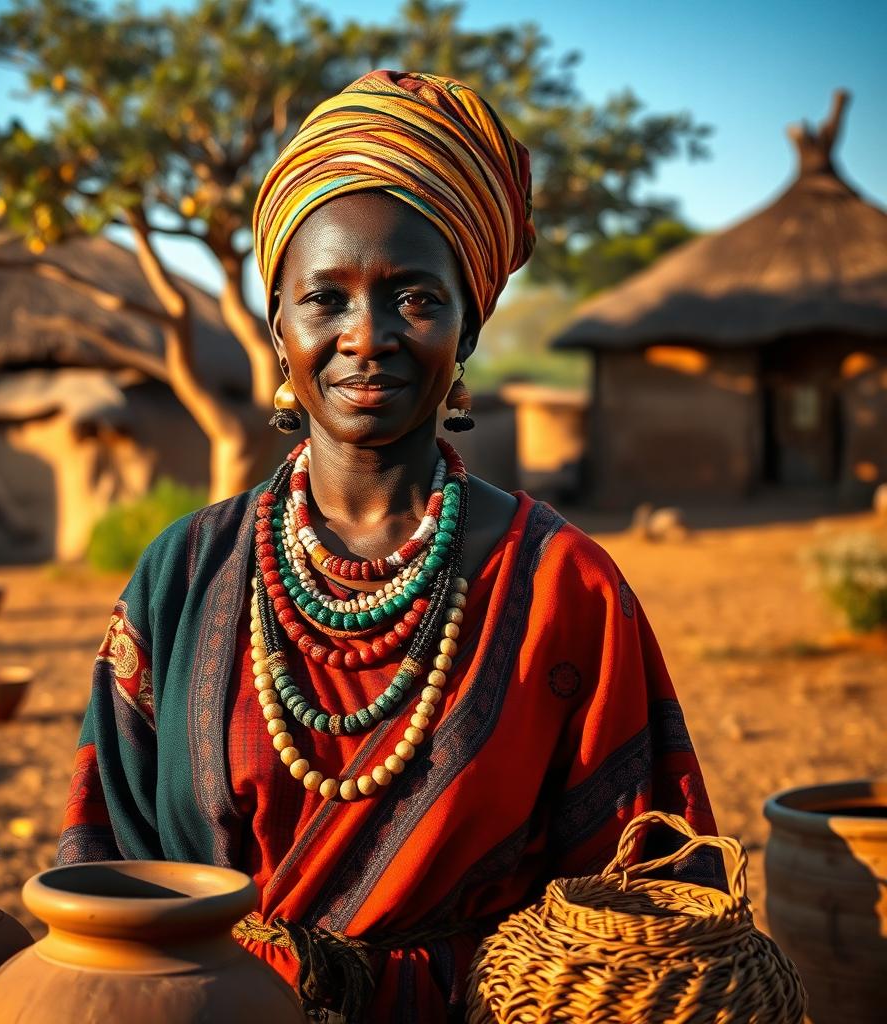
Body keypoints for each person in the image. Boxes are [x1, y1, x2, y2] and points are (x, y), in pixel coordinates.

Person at [58, 70, 718, 1023]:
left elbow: (643, 910)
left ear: (469, 324)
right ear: (279, 325)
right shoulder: (184, 574)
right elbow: (103, 865)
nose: (366, 337)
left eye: (415, 298)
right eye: (325, 300)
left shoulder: (562, 586)